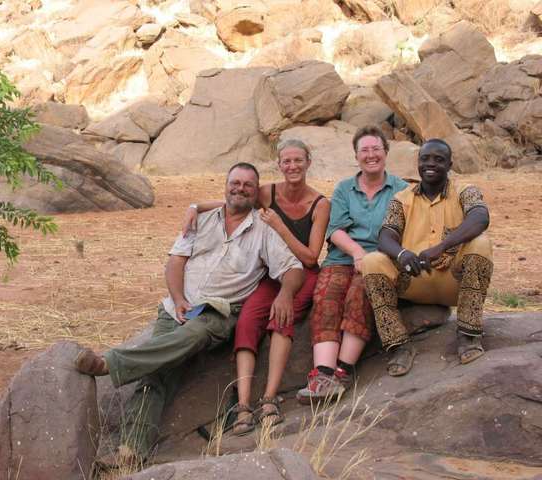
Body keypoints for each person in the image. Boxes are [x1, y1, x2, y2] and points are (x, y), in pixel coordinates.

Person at [75, 162, 304, 463]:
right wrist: (179, 298)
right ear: (225, 185)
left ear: (255, 192)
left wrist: (286, 294)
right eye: (235, 182)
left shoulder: (263, 229)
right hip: (177, 306)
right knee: (158, 370)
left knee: (193, 333)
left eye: (248, 185)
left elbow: (293, 268)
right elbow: (175, 262)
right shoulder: (202, 218)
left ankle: (111, 363)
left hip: (219, 311)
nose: (240, 189)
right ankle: (130, 451)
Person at [182, 139, 329, 434]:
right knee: (248, 319)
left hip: (302, 273)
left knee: (281, 319)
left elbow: (311, 256)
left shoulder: (320, 203)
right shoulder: (267, 192)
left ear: (308, 163)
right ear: (279, 165)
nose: (292, 166)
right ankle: (244, 406)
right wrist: (195, 206)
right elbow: (232, 202)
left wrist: (279, 227)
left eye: (298, 160)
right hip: (271, 272)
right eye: (286, 161)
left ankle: (270, 399)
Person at [360, 138, 492, 376]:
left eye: (439, 160)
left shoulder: (465, 191)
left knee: (481, 244)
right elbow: (385, 236)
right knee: (371, 261)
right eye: (425, 159)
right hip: (414, 281)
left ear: (450, 164)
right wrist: (402, 253)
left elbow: (480, 218)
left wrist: (442, 246)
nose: (431, 164)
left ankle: (468, 335)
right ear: (418, 163)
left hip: (455, 281)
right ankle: (399, 345)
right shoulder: (402, 198)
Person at [296, 125, 408, 404]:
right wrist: (358, 253)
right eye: (364, 150)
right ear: (356, 156)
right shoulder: (345, 188)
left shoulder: (401, 189)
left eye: (376, 149)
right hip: (342, 257)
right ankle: (322, 375)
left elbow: (402, 230)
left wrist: (370, 259)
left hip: (380, 260)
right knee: (327, 295)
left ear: (386, 152)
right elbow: (335, 230)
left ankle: (342, 373)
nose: (371, 155)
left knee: (360, 293)